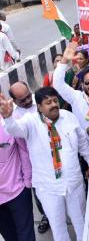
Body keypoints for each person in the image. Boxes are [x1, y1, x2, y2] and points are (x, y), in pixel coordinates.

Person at [0, 87, 89, 241]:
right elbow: (14, 130)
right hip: (48, 188)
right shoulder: (31, 122)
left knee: (81, 222)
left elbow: (83, 144)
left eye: (55, 101)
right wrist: (8, 118)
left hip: (73, 183)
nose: (53, 105)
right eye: (48, 102)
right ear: (39, 107)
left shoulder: (69, 117)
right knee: (58, 228)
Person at [8, 82, 50, 233]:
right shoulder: (12, 116)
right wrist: (27, 174)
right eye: (22, 100)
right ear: (13, 101)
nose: (27, 101)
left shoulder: (41, 101)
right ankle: (46, 216)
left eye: (28, 96)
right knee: (38, 192)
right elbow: (19, 147)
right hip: (32, 162)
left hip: (52, 154)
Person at [0, 113, 36, 241]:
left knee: (26, 235)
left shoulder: (10, 122)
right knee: (10, 237)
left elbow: (24, 151)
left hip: (18, 191)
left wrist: (27, 180)